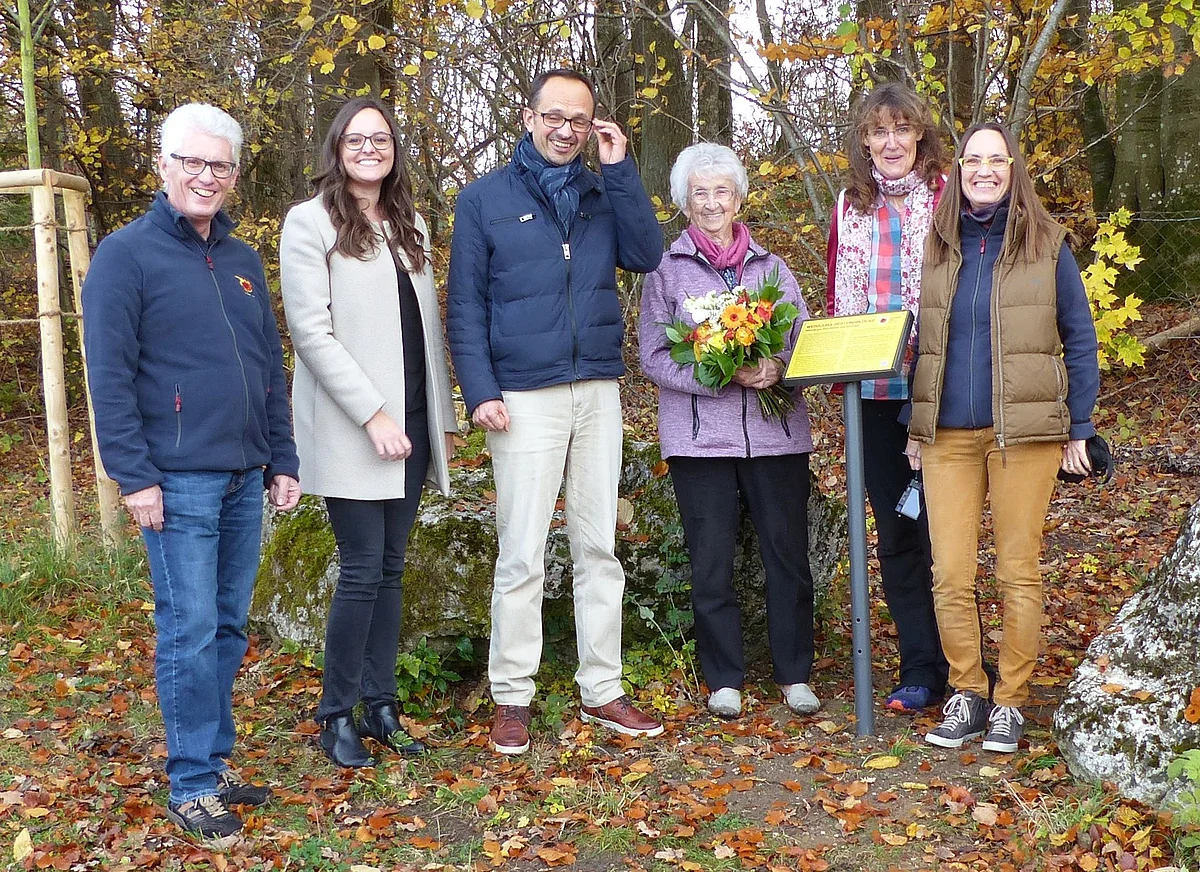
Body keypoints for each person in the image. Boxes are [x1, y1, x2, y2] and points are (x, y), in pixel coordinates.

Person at [82, 103, 301, 843]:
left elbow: (267, 369)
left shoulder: (242, 261)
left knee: (228, 625)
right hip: (176, 482)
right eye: (193, 162)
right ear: (164, 166)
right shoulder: (125, 255)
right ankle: (192, 783)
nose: (207, 176)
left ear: (234, 174)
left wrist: (281, 456)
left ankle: (211, 758)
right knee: (190, 626)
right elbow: (109, 376)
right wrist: (133, 476)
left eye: (221, 166)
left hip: (243, 476)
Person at [447, 69, 665, 755]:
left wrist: (620, 169)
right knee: (522, 551)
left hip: (596, 387)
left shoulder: (604, 193)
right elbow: (464, 305)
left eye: (579, 119)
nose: (566, 130)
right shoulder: (483, 200)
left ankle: (603, 688)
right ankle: (512, 694)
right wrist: (480, 390)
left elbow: (646, 253)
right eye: (554, 116)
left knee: (599, 547)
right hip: (521, 395)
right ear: (528, 116)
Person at [906, 122, 1100, 753]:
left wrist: (1079, 426)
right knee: (949, 573)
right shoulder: (938, 245)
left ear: (1013, 169)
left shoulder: (1048, 244)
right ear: (958, 170)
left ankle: (1011, 700)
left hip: (1025, 435)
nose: (984, 170)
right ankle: (967, 691)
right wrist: (917, 425)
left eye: (996, 160)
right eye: (973, 160)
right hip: (947, 437)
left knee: (1017, 571)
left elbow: (1080, 339)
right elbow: (925, 344)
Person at [279, 97, 458, 769]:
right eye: (355, 139)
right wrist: (372, 414)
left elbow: (425, 331)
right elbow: (311, 333)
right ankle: (336, 715)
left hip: (411, 424)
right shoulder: (310, 222)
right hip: (355, 425)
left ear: (393, 149)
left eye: (380, 138)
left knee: (391, 569)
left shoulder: (409, 223)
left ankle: (382, 707)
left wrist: (437, 420)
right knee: (361, 570)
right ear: (336, 147)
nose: (368, 149)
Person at [639, 143, 820, 720]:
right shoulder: (665, 270)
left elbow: (803, 339)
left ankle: (795, 673)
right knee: (711, 562)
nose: (712, 202)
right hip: (699, 443)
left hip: (776, 437)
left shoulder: (772, 268)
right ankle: (723, 678)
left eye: (722, 191)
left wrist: (776, 368)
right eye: (700, 192)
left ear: (739, 198)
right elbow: (652, 356)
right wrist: (719, 373)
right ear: (684, 202)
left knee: (787, 557)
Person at [825, 83, 951, 713]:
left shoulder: (949, 195)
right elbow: (836, 295)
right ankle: (921, 669)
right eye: (879, 131)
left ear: (920, 134)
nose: (892, 141)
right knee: (898, 531)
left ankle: (967, 669)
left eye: (903, 128)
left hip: (944, 390)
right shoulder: (850, 205)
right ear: (865, 140)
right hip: (875, 394)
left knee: (946, 531)